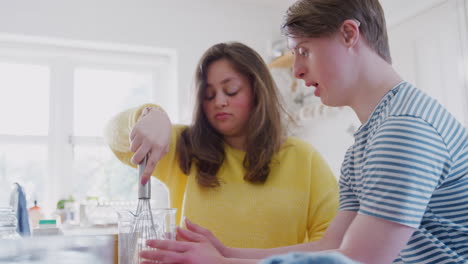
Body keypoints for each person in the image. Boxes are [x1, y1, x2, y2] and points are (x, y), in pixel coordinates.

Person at [140, 0, 468, 263]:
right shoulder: (368, 138)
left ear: (349, 34)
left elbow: (356, 261)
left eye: (303, 51)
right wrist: (227, 252)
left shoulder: (403, 128)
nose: (296, 70)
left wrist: (219, 263)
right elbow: (333, 245)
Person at [104, 41, 339, 249]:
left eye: (231, 90)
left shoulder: (304, 159)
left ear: (258, 91)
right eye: (208, 94)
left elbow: (333, 243)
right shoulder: (184, 147)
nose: (220, 102)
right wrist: (149, 115)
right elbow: (115, 138)